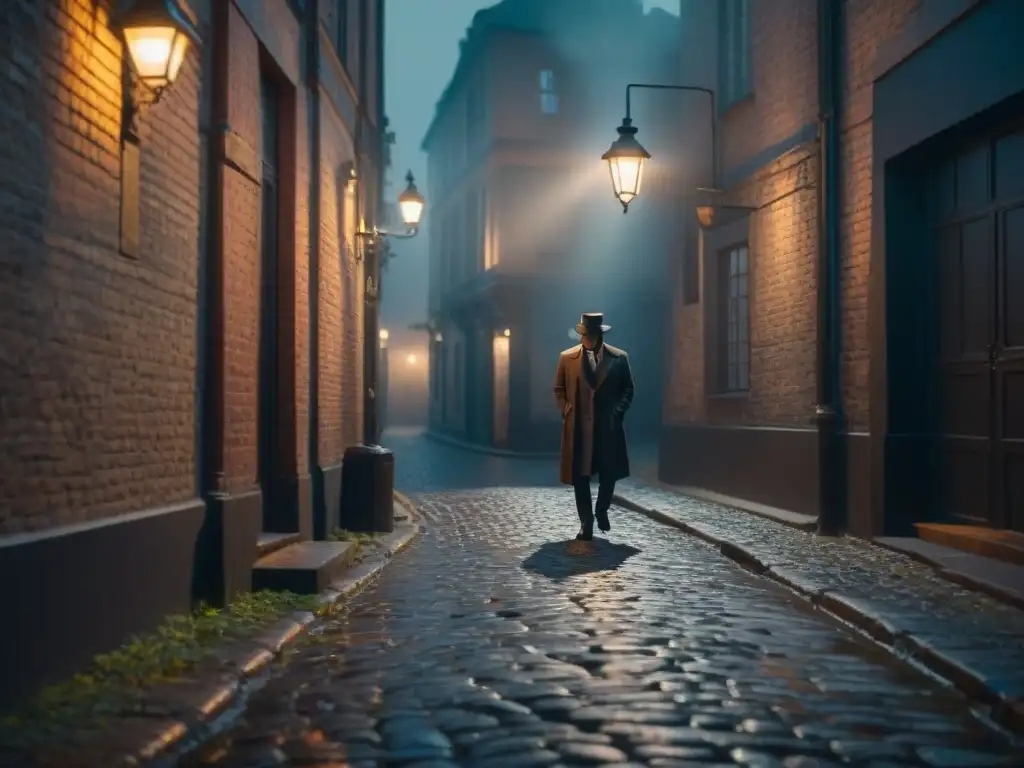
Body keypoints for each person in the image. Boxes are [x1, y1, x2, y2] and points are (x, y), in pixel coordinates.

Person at [553, 312, 635, 541]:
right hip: (578, 427)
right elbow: (559, 389)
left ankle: (602, 509)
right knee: (581, 476)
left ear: (599, 334)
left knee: (608, 473)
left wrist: (617, 412)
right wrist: (567, 409)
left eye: (591, 334)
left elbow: (628, 389)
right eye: (585, 335)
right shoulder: (566, 358)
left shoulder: (619, 358)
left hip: (607, 427)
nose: (587, 339)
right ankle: (585, 522)